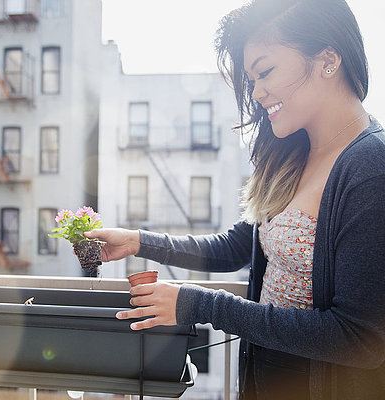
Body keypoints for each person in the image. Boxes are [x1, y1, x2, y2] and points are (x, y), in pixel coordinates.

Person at [84, 0, 385, 398]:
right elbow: (237, 247)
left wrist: (201, 304)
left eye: (265, 71)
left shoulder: (370, 167)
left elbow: (359, 338)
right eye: (252, 79)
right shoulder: (292, 153)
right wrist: (139, 241)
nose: (257, 92)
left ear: (328, 59)